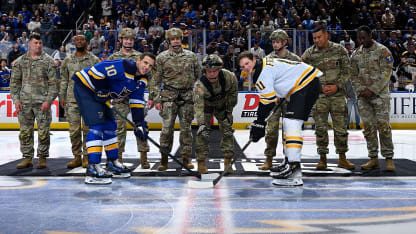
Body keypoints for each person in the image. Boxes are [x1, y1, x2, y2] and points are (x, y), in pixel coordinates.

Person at [238, 51, 322, 186]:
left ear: (254, 59)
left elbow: (267, 102)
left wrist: (259, 124)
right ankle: (289, 162)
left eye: (247, 63)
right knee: (288, 124)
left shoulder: (262, 73)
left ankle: (294, 169)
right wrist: (259, 124)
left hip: (306, 85)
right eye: (242, 66)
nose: (246, 68)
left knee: (291, 123)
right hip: (304, 85)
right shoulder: (264, 65)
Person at [73, 52, 155, 184]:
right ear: (138, 60)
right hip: (86, 88)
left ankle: (112, 163)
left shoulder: (142, 80)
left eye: (150, 66)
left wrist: (138, 123)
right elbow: (97, 70)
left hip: (101, 95)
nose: (147, 67)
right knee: (97, 126)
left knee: (110, 125)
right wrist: (101, 89)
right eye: (145, 63)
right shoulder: (124, 66)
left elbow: (136, 100)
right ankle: (92, 167)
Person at [301, 25, 355, 170]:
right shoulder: (309, 54)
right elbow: (303, 75)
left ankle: (342, 158)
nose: (317, 40)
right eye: (314, 38)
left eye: (319, 37)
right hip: (319, 97)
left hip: (337, 96)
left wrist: (337, 85)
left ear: (327, 36)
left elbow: (348, 71)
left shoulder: (339, 50)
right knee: (320, 128)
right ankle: (322, 158)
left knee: (341, 129)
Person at [148, 27, 201, 171]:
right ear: (168, 41)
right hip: (168, 98)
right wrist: (156, 99)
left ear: (181, 39)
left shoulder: (191, 56)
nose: (176, 41)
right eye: (173, 39)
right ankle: (164, 159)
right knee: (166, 130)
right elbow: (155, 81)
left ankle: (186, 158)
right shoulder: (161, 57)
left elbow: (198, 75)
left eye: (178, 38)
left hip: (187, 97)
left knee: (186, 130)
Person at [10, 32, 58, 169]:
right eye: (35, 43)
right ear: (29, 44)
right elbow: (14, 83)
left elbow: (54, 84)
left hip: (42, 103)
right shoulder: (20, 62)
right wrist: (16, 100)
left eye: (40, 43)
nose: (38, 45)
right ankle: (27, 158)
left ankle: (42, 157)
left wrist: (48, 101)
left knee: (44, 132)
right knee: (25, 132)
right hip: (24, 103)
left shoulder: (48, 61)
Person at [350, 25, 395, 171]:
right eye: (360, 38)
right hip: (363, 98)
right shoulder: (356, 55)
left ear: (370, 35)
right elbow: (353, 75)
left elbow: (386, 73)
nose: (362, 40)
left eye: (364, 37)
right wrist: (360, 90)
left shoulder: (383, 51)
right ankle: (373, 158)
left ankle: (389, 159)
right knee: (368, 128)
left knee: (383, 127)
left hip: (380, 96)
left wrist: (372, 90)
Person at [258, 29, 301, 171]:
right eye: (273, 42)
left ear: (284, 42)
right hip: (274, 100)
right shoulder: (268, 59)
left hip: (290, 101)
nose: (275, 45)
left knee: (289, 131)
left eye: (278, 42)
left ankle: (288, 159)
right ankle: (269, 158)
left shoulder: (294, 59)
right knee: (271, 130)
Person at [108, 27, 150, 169]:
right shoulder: (113, 57)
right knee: (118, 128)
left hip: (136, 97)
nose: (128, 41)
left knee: (141, 125)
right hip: (119, 98)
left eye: (131, 39)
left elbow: (148, 75)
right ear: (121, 40)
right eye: (126, 39)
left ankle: (144, 157)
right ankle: (118, 157)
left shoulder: (141, 57)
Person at [59, 35, 100, 169]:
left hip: (89, 100)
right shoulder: (67, 61)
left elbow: (99, 80)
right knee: (74, 131)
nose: (80, 42)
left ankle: (87, 157)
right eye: (77, 40)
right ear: (73, 42)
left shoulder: (94, 60)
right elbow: (64, 79)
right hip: (72, 100)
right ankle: (77, 157)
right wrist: (62, 96)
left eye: (82, 40)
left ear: (86, 42)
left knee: (88, 131)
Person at [193, 54, 238, 174]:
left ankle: (228, 161)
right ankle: (201, 162)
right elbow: (198, 105)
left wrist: (229, 111)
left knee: (228, 130)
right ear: (205, 70)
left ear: (219, 69)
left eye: (214, 71)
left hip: (223, 106)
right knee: (202, 133)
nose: (212, 74)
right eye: (209, 71)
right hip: (206, 107)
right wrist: (201, 123)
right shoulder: (199, 85)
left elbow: (233, 94)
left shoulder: (229, 77)